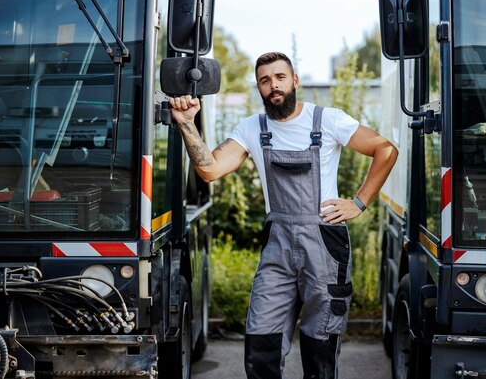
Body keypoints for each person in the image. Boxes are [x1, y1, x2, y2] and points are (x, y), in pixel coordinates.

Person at [169, 52, 398, 379]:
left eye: (279, 77)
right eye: (265, 80)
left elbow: (386, 149)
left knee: (320, 340)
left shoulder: (327, 120)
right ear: (259, 88)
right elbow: (209, 170)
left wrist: (359, 202)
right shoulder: (251, 128)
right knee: (261, 337)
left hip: (324, 243)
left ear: (294, 81)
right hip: (278, 244)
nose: (273, 85)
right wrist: (187, 123)